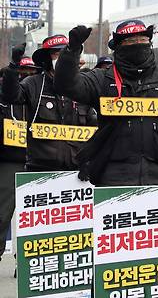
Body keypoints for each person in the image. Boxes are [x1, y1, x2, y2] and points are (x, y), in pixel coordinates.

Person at [52, 21, 158, 202]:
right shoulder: (102, 79)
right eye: (130, 42)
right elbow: (66, 85)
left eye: (143, 40)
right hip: (113, 179)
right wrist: (72, 51)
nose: (138, 45)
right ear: (118, 47)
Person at [2, 36, 97, 172]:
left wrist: (89, 161)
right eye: (57, 54)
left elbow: (95, 126)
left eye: (66, 53)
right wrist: (13, 67)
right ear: (47, 59)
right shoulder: (33, 83)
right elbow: (11, 96)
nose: (62, 58)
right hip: (39, 170)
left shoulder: (83, 85)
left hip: (76, 172)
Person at [0, 47, 39, 260]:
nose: (27, 78)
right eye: (22, 74)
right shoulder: (4, 99)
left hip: (39, 160)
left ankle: (27, 261)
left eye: (31, 73)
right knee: (2, 214)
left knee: (38, 217)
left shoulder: (40, 93)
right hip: (9, 161)